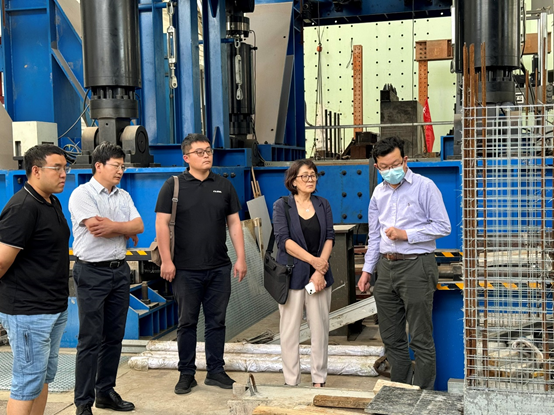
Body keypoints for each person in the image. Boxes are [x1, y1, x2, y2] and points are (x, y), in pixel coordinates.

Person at [155, 133, 247, 395]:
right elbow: (161, 224)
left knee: (217, 321)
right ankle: (186, 373)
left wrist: (241, 258)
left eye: (208, 151)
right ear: (186, 158)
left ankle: (215, 371)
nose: (206, 155)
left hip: (219, 267)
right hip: (185, 269)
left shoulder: (224, 185)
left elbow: (234, 224)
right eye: (200, 152)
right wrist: (167, 260)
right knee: (187, 322)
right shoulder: (173, 186)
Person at [357, 136, 451, 390]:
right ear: (377, 167)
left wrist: (406, 235)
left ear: (405, 160)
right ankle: (400, 392)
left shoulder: (425, 187)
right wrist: (367, 270)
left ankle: (422, 395)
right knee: (391, 338)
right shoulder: (378, 193)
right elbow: (374, 236)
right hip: (385, 269)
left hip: (416, 266)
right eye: (385, 167)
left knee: (420, 338)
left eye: (395, 164)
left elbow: (443, 226)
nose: (391, 170)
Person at [68, 142, 144, 415]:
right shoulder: (82, 194)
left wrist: (115, 226)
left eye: (123, 166)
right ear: (98, 166)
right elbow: (96, 229)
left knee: (114, 336)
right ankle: (83, 403)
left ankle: (105, 392)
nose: (121, 171)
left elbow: (139, 225)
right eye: (116, 166)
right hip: (91, 272)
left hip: (119, 271)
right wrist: (123, 228)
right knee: (90, 339)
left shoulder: (123, 196)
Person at [0, 144, 70, 415]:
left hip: (53, 308)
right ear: (36, 171)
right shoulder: (23, 207)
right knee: (26, 383)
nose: (64, 174)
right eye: (57, 168)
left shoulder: (51, 201)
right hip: (28, 312)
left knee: (42, 379)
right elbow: (2, 261)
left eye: (65, 168)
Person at [272, 159, 334, 387]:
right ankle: (291, 381)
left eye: (313, 175)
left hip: (319, 278)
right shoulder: (282, 206)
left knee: (320, 329)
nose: (310, 179)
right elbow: (284, 241)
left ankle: (319, 378)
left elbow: (329, 237)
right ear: (293, 181)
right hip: (292, 278)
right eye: (305, 176)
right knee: (289, 331)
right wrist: (313, 262)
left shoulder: (323, 204)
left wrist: (319, 270)